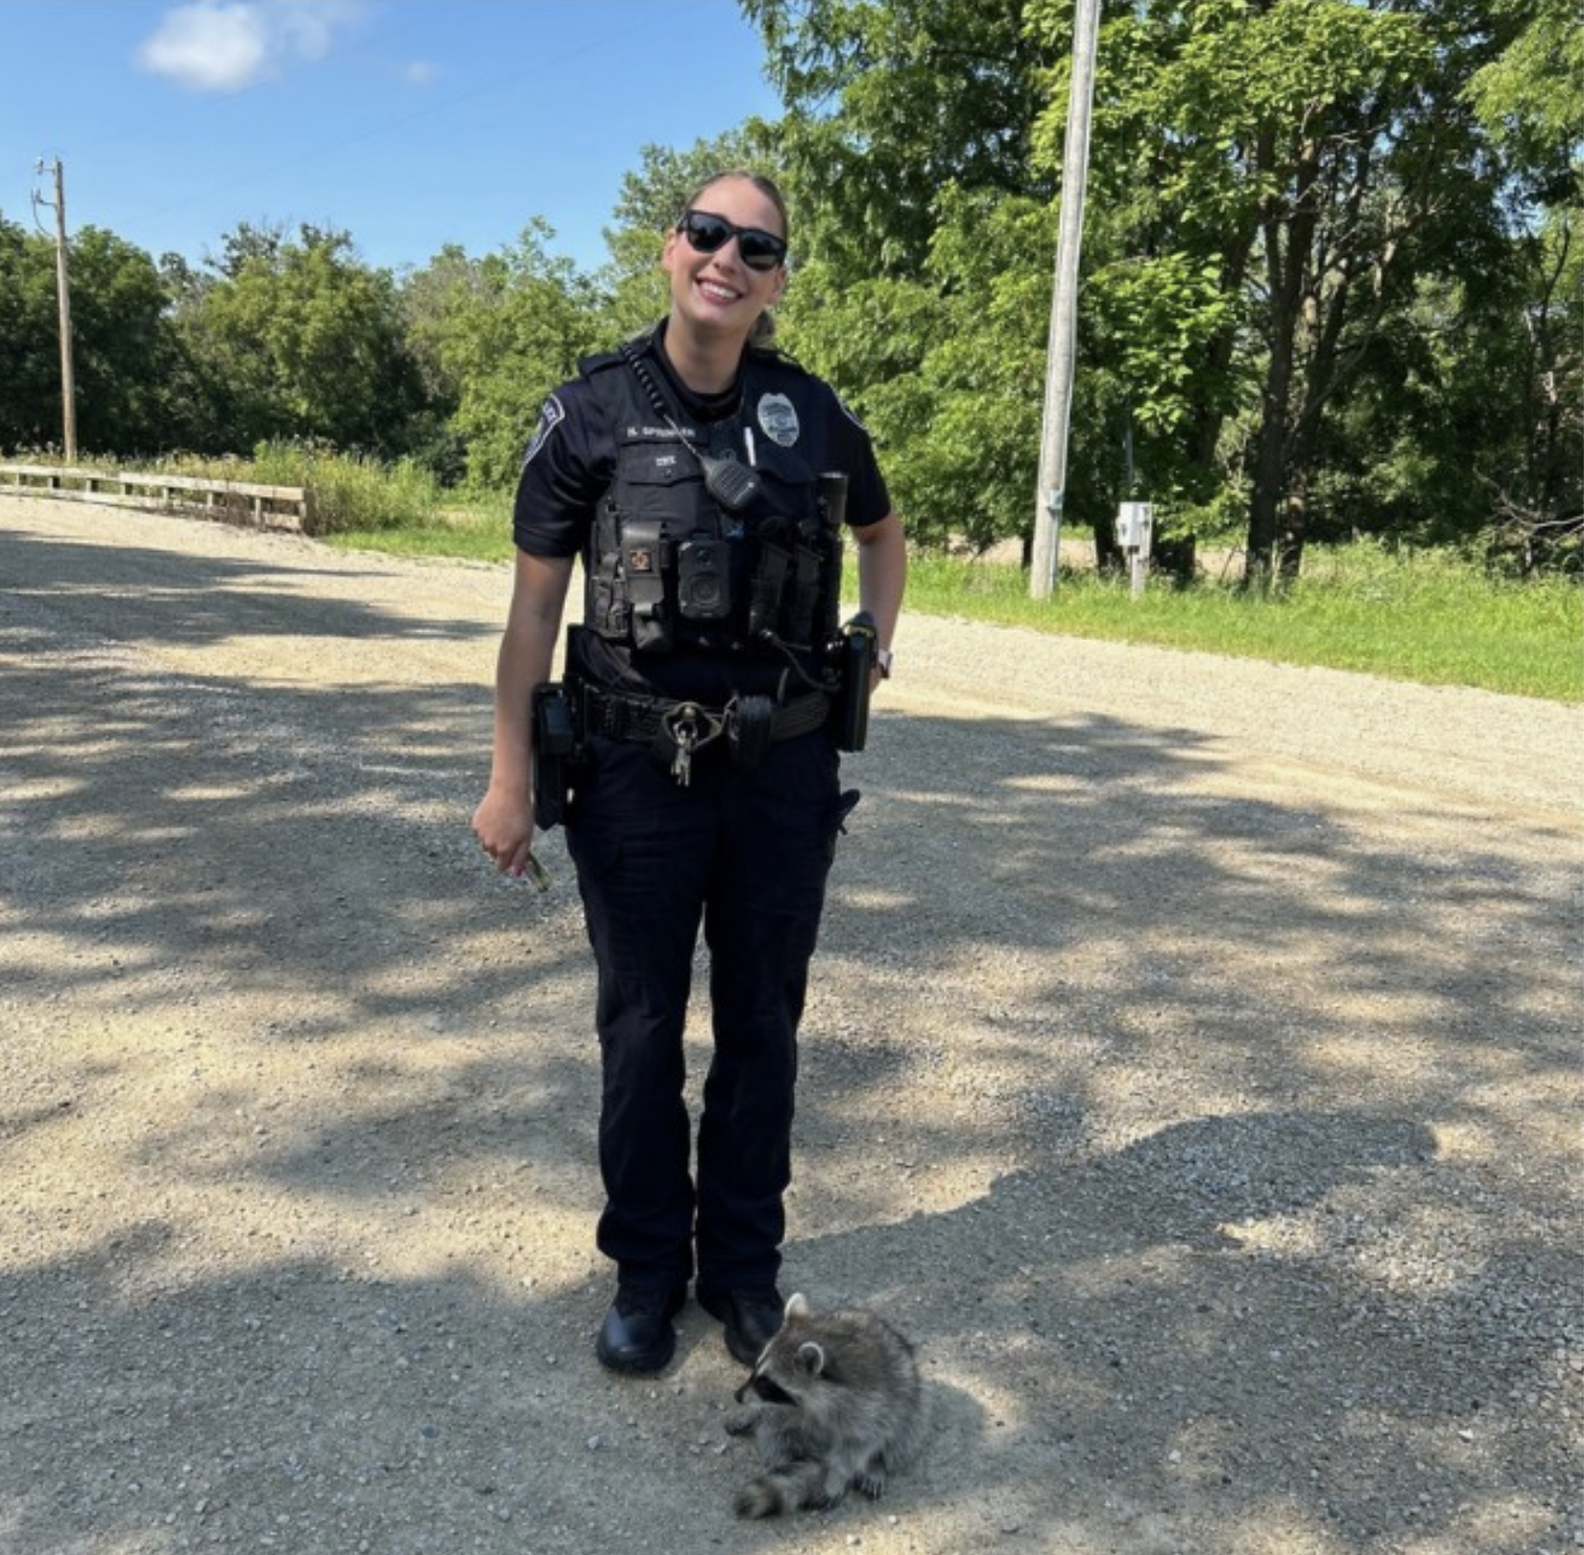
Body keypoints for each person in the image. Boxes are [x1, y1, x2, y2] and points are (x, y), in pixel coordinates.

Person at [471, 170, 906, 1376]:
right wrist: (509, 777)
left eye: (755, 248)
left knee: (763, 1022)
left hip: (782, 772)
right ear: (671, 249)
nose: (727, 259)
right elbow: (531, 614)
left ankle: (744, 1272)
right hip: (631, 770)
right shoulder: (588, 414)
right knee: (642, 1027)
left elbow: (881, 533)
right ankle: (648, 1272)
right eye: (708, 234)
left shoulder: (811, 412)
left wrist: (874, 641)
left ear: (777, 281)